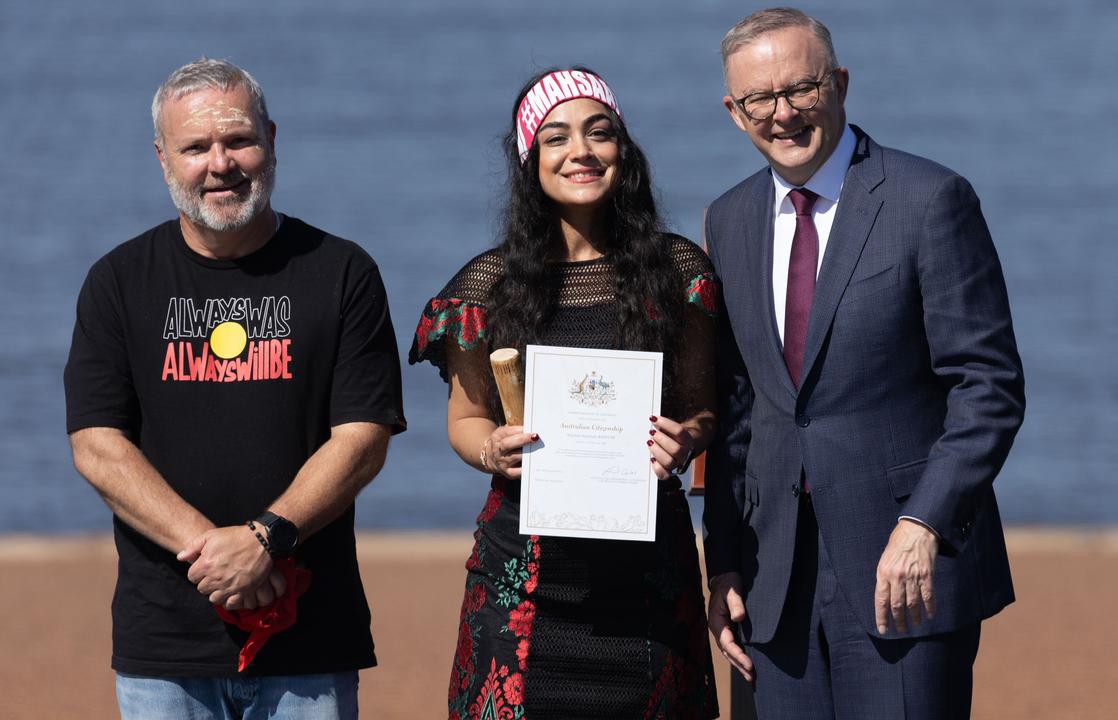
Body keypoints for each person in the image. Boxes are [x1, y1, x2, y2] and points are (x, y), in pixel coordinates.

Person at [701, 8, 1025, 719]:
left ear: (840, 83)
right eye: (760, 98)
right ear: (735, 111)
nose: (783, 113)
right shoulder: (727, 219)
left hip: (905, 569)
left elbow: (988, 386)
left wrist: (925, 525)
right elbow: (738, 407)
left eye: (802, 89)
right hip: (772, 581)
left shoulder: (929, 199)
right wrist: (720, 557)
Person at [64, 58, 406, 719]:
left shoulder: (341, 273)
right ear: (163, 157)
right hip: (165, 645)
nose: (220, 164)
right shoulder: (118, 281)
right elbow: (97, 446)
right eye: (196, 147)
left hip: (309, 639)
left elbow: (363, 437)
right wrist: (214, 549)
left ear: (272, 140)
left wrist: (264, 539)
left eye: (238, 140)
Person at [408, 67, 720, 719]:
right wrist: (491, 448)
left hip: (649, 585)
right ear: (532, 161)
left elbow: (703, 408)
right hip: (521, 584)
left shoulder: (678, 272)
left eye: (598, 132)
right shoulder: (487, 287)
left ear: (622, 152)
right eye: (556, 138)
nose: (580, 150)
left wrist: (686, 438)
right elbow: (465, 419)